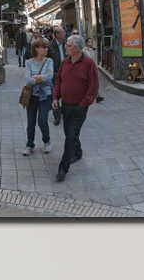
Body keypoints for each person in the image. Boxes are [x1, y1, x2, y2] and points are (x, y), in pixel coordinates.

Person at [52, 32, 100, 184]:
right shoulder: (65, 62)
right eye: (66, 44)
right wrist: (55, 98)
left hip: (80, 107)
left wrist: (84, 103)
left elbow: (94, 86)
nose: (65, 47)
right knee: (69, 133)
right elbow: (59, 81)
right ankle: (77, 152)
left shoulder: (88, 63)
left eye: (69, 45)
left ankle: (63, 168)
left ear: (78, 48)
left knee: (70, 136)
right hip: (65, 105)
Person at [20, 37, 54, 157]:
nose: (46, 49)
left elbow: (50, 76)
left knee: (42, 121)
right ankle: (30, 145)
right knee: (31, 123)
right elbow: (27, 79)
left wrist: (35, 77)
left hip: (45, 96)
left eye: (46, 47)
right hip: (32, 97)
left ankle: (47, 141)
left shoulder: (49, 61)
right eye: (43, 47)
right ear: (36, 49)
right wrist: (40, 78)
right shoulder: (29, 62)